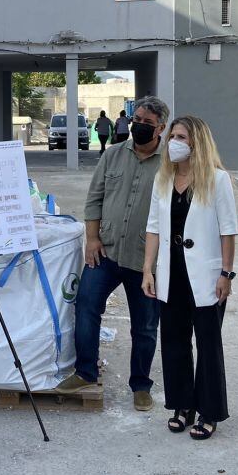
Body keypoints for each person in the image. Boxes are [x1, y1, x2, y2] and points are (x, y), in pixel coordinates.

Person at [57, 96, 169, 411]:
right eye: (138, 120)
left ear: (161, 127)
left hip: (145, 261)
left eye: (148, 123)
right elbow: (95, 198)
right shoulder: (114, 155)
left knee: (145, 326)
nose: (140, 127)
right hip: (105, 253)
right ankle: (85, 372)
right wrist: (91, 238)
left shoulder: (171, 163)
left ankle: (141, 385)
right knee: (86, 307)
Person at [142, 116, 237, 440]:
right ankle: (182, 405)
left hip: (206, 275)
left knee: (208, 344)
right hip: (172, 273)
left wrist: (226, 273)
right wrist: (148, 270)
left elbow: (228, 230)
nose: (173, 142)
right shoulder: (163, 179)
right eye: (172, 135)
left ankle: (209, 411)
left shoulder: (218, 180)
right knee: (174, 341)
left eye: (180, 136)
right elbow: (153, 227)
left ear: (196, 142)